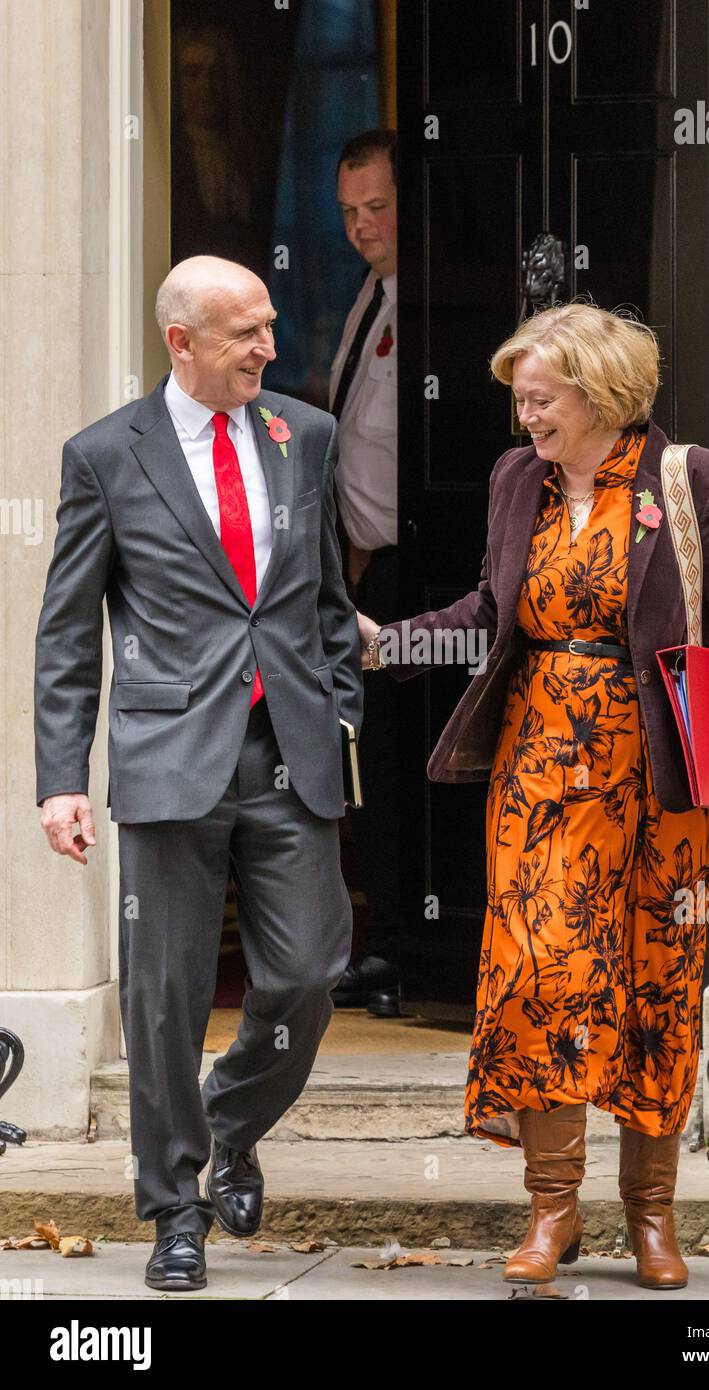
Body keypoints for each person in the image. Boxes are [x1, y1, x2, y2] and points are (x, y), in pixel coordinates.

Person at [357, 301, 709, 1289]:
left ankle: (651, 1219)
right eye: (521, 398)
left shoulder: (692, 482)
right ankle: (553, 1212)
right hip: (539, 772)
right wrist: (391, 643)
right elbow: (487, 612)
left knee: (654, 984)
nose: (525, 417)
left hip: (659, 779)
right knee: (539, 975)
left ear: (597, 393)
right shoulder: (522, 482)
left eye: (540, 397)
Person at [34, 255, 362, 1292]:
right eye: (245, 334)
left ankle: (232, 1117)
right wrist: (62, 775)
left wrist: (340, 708)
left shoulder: (302, 436)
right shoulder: (105, 456)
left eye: (269, 326)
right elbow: (66, 633)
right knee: (165, 998)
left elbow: (323, 601)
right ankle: (177, 1209)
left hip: (289, 755)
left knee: (308, 975)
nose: (269, 347)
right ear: (181, 341)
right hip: (168, 757)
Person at [327, 130, 401, 1016]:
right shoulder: (367, 296)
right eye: (348, 211)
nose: (360, 225)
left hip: (414, 570)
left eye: (376, 206)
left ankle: (399, 946)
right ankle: (379, 935)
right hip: (362, 569)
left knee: (393, 761)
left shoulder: (418, 299)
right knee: (364, 766)